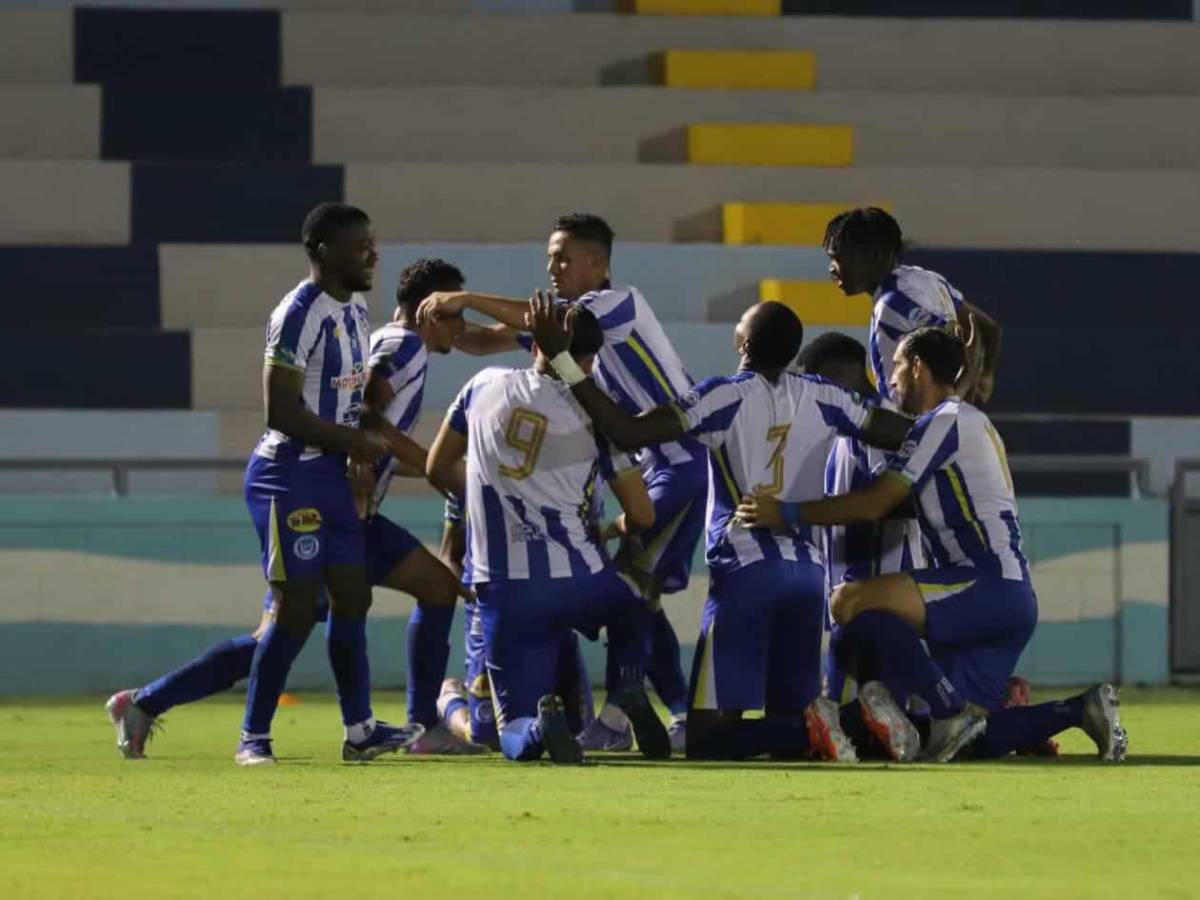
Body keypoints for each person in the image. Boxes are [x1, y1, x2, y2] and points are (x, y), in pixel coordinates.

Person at [528, 295, 914, 761]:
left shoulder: (723, 395)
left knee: (708, 739)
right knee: (788, 729)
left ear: (743, 342)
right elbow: (904, 434)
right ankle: (844, 722)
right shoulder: (827, 396)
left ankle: (827, 725)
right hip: (808, 575)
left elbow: (627, 432)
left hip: (747, 570)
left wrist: (564, 361)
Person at [738, 328, 1126, 764]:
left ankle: (949, 709)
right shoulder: (973, 422)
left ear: (918, 366)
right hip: (1013, 594)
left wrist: (784, 512)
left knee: (850, 602)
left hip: (983, 583)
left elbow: (875, 503)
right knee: (960, 740)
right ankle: (1079, 709)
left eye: (898, 368)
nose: (891, 381)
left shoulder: (941, 423)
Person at [417, 213, 697, 752]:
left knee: (638, 587)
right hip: (633, 478)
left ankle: (630, 718)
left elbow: (543, 326)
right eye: (549, 257)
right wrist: (447, 328)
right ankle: (633, 708)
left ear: (600, 263)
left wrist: (465, 296)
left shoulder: (617, 305)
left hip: (673, 461)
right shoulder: (584, 390)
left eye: (564, 257)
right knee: (636, 593)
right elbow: (489, 339)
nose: (552, 266)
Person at [794, 333, 924, 708]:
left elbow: (900, 502)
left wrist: (806, 511)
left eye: (812, 383)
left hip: (880, 595)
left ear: (832, 377)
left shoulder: (884, 429)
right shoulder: (842, 430)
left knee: (876, 720)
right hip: (850, 598)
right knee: (843, 719)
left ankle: (1012, 721)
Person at [434, 495, 596, 751]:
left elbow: (591, 537)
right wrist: (475, 597)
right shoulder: (469, 475)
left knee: (580, 731)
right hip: (492, 606)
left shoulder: (575, 472)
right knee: (487, 736)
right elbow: (450, 554)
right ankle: (449, 700)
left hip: (551, 603)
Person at [824, 207, 1000, 406]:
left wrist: (966, 387)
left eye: (838, 258)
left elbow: (958, 355)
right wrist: (985, 378)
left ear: (872, 255)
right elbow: (989, 327)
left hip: (918, 425)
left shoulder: (893, 305)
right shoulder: (926, 278)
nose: (832, 268)